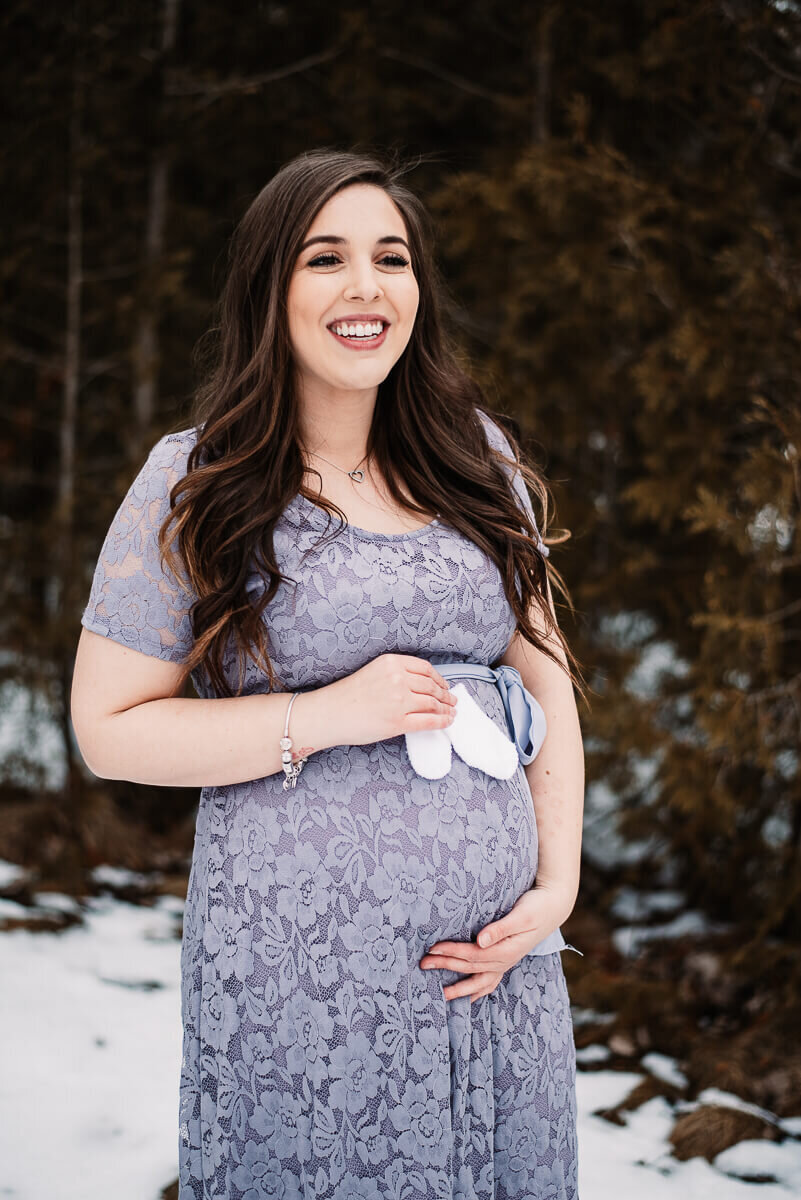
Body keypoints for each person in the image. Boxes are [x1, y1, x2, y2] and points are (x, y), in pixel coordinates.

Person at [71, 147, 587, 1200]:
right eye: (327, 258)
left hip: (495, 975)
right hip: (302, 975)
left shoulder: (475, 461)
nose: (367, 288)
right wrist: (326, 714)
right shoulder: (197, 480)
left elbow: (550, 683)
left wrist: (556, 890)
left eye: (391, 258)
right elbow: (108, 726)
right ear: (272, 287)